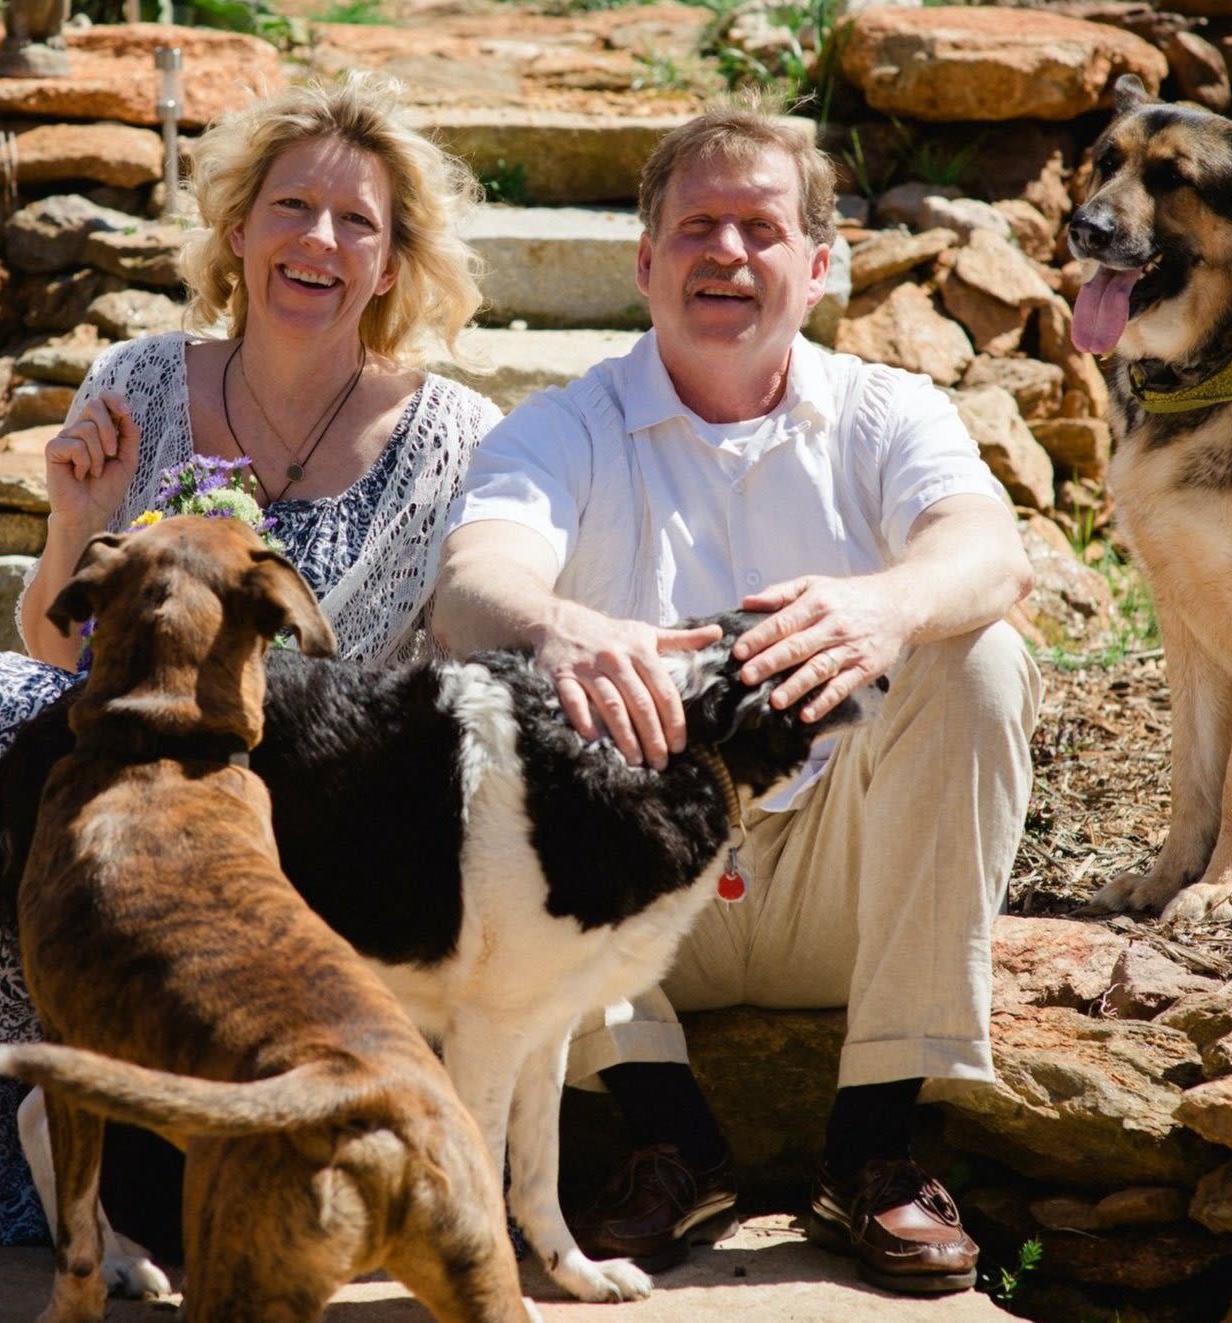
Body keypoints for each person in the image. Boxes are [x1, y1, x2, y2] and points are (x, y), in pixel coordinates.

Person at [0, 74, 499, 1265]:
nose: (318, 239)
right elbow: (55, 653)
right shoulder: (137, 383)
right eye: (291, 207)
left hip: (300, 828)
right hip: (120, 814)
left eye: (357, 222)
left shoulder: (462, 440)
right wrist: (76, 520)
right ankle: (66, 1114)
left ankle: (118, 1137)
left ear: (392, 265)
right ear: (237, 231)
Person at [430, 96, 1042, 1296]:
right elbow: (471, 584)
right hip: (646, 916)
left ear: (818, 266)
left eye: (760, 229)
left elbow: (992, 550)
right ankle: (671, 1140)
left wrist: (889, 607)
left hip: (842, 888)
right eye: (697, 226)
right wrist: (561, 629)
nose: (727, 253)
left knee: (981, 651)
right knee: (507, 717)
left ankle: (873, 1148)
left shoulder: (886, 411)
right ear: (646, 260)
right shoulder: (563, 426)